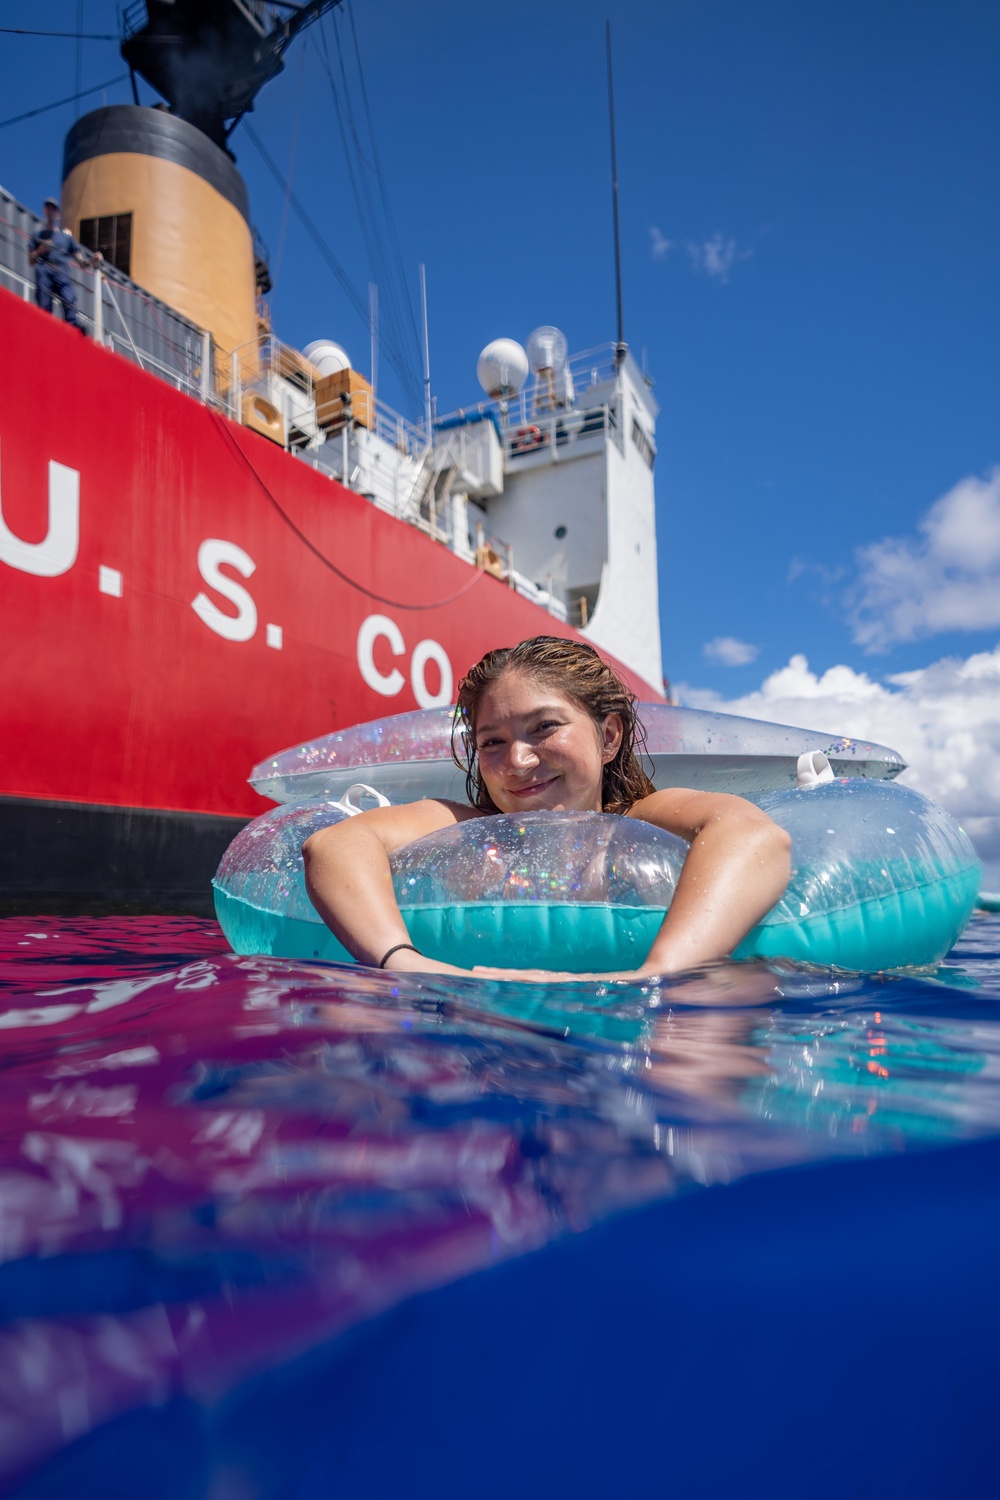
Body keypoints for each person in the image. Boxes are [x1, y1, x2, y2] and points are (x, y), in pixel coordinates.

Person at [303, 636, 792, 980]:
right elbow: (335, 843)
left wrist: (659, 973)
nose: (517, 760)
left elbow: (753, 835)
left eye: (544, 727)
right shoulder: (463, 825)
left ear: (610, 736)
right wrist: (405, 963)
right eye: (492, 741)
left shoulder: (639, 818)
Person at [29, 198, 98, 330]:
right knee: (44, 302)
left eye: (53, 209)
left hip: (61, 270)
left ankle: (72, 328)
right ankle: (45, 327)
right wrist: (40, 250)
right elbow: (31, 260)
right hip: (44, 267)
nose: (50, 212)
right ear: (44, 211)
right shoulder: (37, 235)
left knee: (69, 299)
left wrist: (91, 260)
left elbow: (81, 262)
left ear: (58, 214)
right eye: (48, 208)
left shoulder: (67, 238)